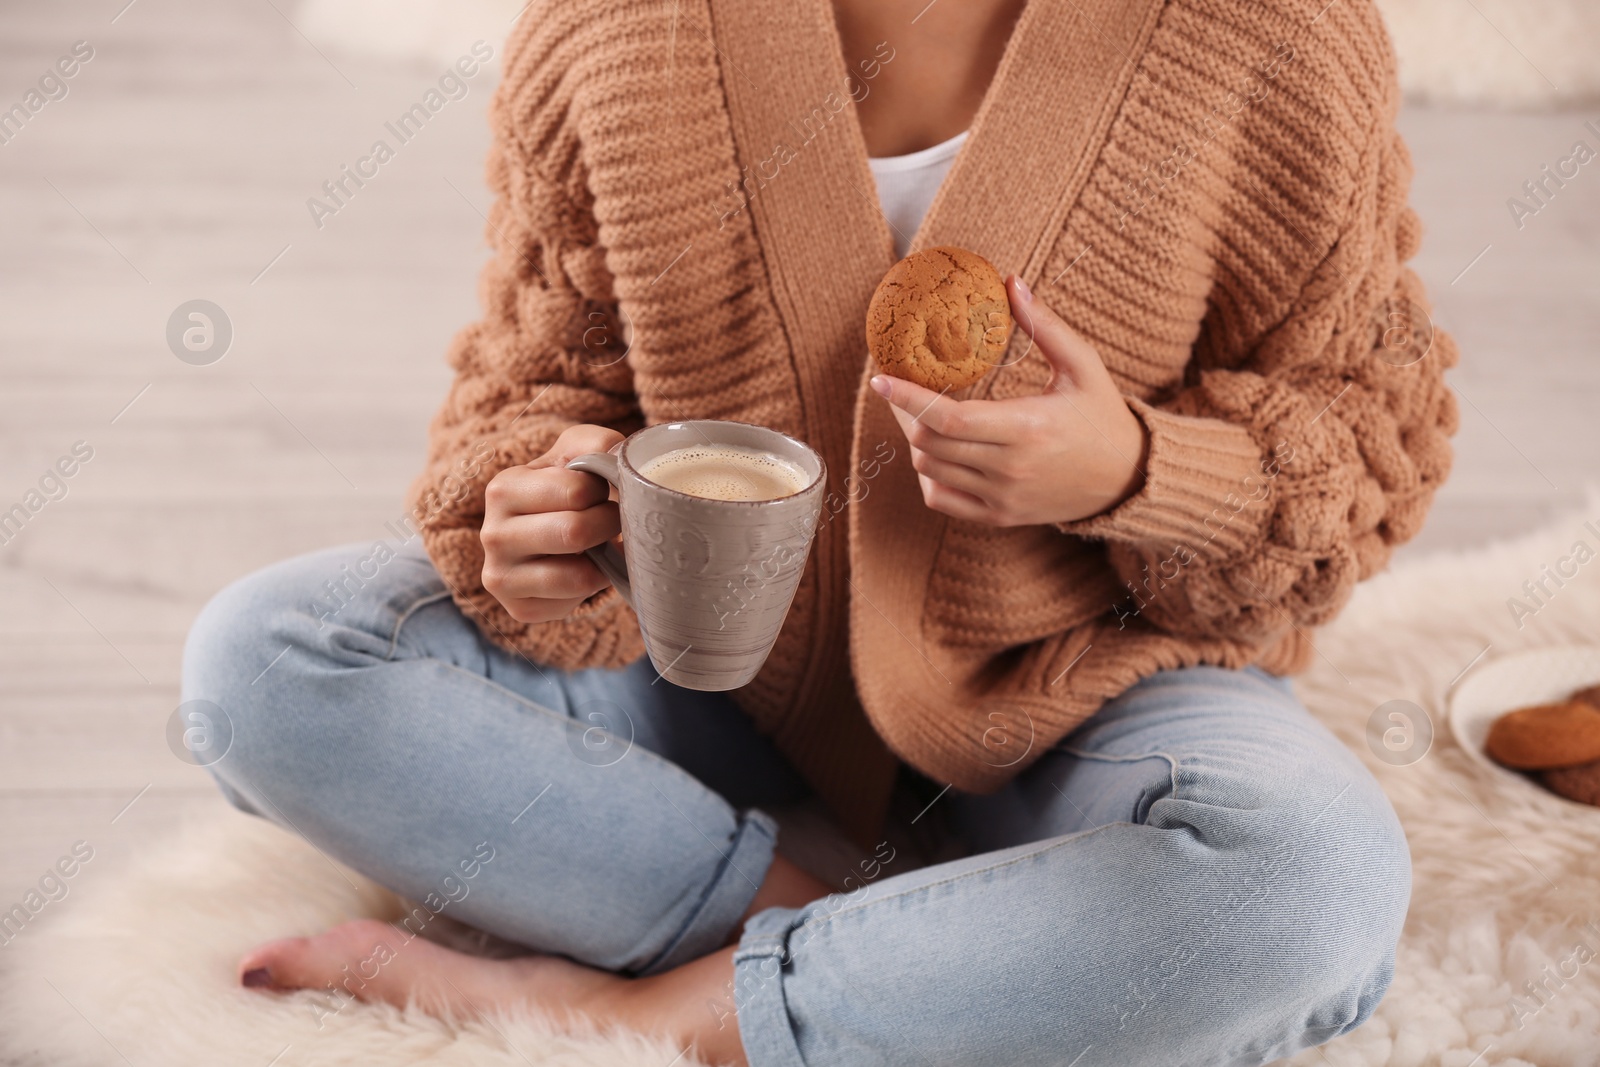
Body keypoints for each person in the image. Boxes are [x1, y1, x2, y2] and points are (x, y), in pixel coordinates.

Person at [180, 0, 1457, 1063]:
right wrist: (533, 504)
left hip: (1087, 690)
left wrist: (1131, 467)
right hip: (701, 680)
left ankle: (668, 1011)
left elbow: (1367, 442)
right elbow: (533, 391)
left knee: (1305, 883)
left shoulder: (1269, 36)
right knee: (264, 661)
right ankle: (909, 949)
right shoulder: (613, 30)